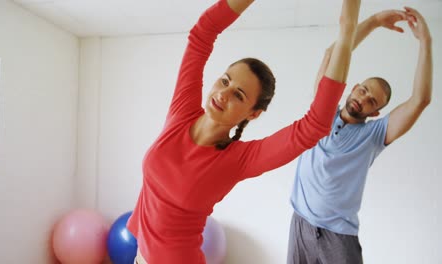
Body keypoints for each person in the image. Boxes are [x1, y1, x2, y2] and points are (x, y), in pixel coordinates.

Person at [126, 0, 361, 263]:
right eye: (225, 81)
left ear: (253, 113)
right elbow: (202, 33)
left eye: (238, 95)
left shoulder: (237, 159)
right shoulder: (182, 112)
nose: (223, 94)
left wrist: (348, 30)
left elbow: (314, 125)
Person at [287, 7, 432, 264]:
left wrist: (426, 42)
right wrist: (374, 21)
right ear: (354, 88)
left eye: (371, 100)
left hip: (338, 236)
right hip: (301, 224)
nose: (363, 99)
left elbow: (420, 100)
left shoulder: (374, 135)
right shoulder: (322, 111)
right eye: (363, 90)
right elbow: (332, 53)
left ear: (375, 112)